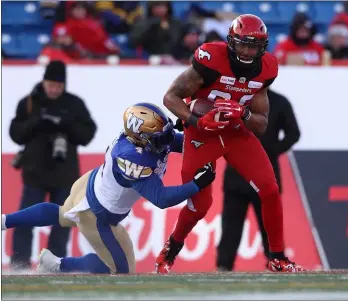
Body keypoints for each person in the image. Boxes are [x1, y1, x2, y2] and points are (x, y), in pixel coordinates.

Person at [155, 14, 304, 274]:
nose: (247, 52)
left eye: (254, 46)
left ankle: (278, 257)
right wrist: (197, 121)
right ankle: (170, 250)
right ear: (231, 42)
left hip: (235, 132)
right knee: (200, 205)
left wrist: (243, 113)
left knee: (269, 189)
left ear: (263, 47)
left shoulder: (266, 69)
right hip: (202, 134)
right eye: (243, 44)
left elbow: (261, 123)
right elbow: (170, 97)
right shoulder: (211, 60)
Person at [2, 103, 216, 274]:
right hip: (98, 215)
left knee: (61, 214)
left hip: (89, 185)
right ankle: (57, 265)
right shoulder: (132, 157)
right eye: (161, 138)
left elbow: (182, 143)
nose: (167, 141)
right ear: (141, 138)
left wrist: (196, 127)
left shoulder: (139, 138)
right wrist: (196, 184)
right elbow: (162, 199)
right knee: (119, 270)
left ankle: (4, 220)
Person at [9, 60, 97, 269]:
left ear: (64, 85)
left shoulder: (74, 104)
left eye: (58, 86)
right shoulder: (29, 103)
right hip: (34, 174)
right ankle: (19, 263)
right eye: (51, 85)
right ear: (44, 81)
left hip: (64, 176)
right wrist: (37, 122)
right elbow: (16, 134)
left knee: (62, 223)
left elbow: (87, 134)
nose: (54, 90)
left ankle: (52, 264)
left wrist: (66, 125)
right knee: (25, 220)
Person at [216, 88, 301, 271]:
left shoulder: (280, 102)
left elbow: (294, 133)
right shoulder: (236, 100)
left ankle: (276, 262)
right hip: (236, 176)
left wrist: (271, 152)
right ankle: (223, 266)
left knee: (269, 226)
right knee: (231, 227)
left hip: (266, 175)